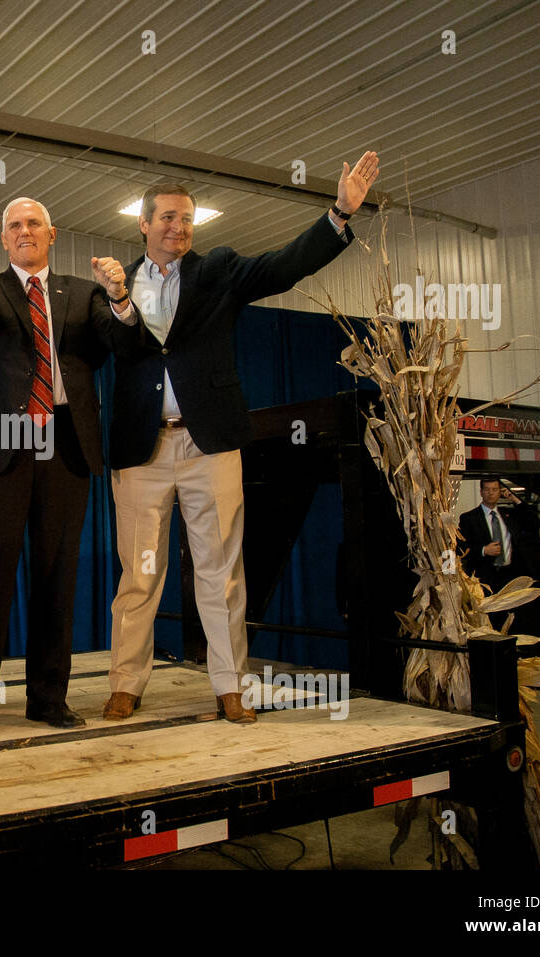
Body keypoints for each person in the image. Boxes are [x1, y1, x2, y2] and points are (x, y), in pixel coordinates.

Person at [102, 152, 380, 725]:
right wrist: (118, 304)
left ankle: (230, 686)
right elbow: (116, 352)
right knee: (140, 574)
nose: (179, 227)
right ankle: (125, 684)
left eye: (187, 219)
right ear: (144, 223)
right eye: (168, 218)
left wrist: (338, 215)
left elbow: (283, 266)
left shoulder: (219, 269)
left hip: (211, 446)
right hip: (141, 451)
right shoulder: (115, 285)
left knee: (222, 570)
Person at [0, 199, 136, 739]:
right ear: (4, 239)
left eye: (34, 225)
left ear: (52, 234)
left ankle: (48, 699)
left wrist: (120, 296)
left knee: (57, 574)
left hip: (65, 445)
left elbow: (120, 343)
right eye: (15, 226)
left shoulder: (83, 291)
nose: (25, 232)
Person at [459, 478, 537, 594]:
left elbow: (535, 523)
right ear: (481, 492)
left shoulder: (509, 515)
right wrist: (483, 550)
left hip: (509, 575)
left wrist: (515, 499)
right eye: (487, 489)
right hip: (483, 578)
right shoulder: (469, 518)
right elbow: (460, 548)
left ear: (500, 492)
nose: (490, 493)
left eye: (494, 489)